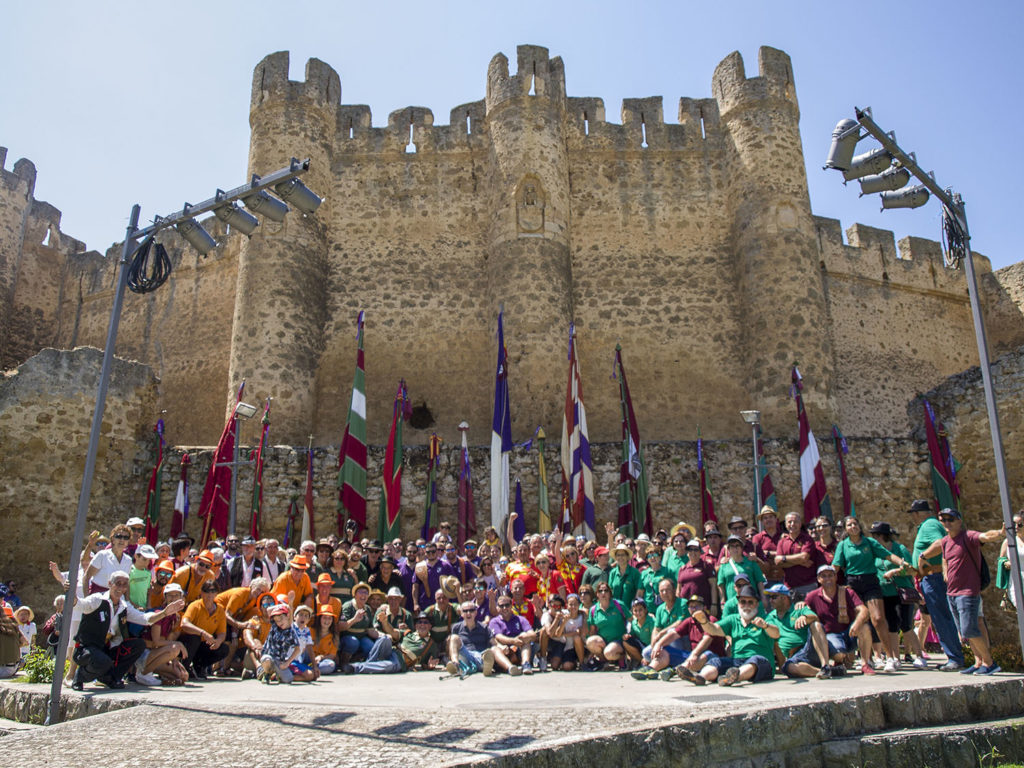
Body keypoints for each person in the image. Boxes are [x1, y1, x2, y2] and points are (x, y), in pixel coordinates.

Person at [919, 507, 1004, 675]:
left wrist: (1000, 533)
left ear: (959, 521)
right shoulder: (946, 542)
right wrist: (934, 564)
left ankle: (990, 663)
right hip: (952, 593)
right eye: (943, 520)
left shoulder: (968, 536)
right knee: (964, 632)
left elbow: (985, 536)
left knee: (969, 630)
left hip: (968, 592)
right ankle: (978, 662)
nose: (947, 523)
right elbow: (942, 552)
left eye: (950, 519)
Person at [72, 571, 185, 690]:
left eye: (124, 584)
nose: (121, 588)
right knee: (102, 661)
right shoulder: (97, 599)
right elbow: (80, 604)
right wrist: (71, 596)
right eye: (118, 583)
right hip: (87, 648)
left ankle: (112, 678)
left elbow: (144, 618)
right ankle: (80, 677)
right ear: (110, 584)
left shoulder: (124, 606)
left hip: (107, 647)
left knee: (138, 645)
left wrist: (164, 613)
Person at [832, 515, 908, 672]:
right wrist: (825, 581)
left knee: (878, 619)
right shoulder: (843, 545)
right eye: (849, 525)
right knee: (861, 622)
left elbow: (888, 555)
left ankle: (890, 657)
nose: (853, 527)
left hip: (870, 582)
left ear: (859, 526)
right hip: (853, 583)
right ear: (845, 529)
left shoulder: (870, 542)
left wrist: (901, 562)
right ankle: (867, 659)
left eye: (855, 524)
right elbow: (836, 566)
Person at [908, 499, 967, 671]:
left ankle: (955, 657)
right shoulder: (929, 525)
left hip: (933, 578)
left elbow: (942, 543)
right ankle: (954, 656)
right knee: (941, 618)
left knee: (942, 618)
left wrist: (923, 556)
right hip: (930, 578)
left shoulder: (929, 525)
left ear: (918, 514)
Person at [679, 585, 778, 686]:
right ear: (738, 603)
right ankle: (699, 678)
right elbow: (713, 630)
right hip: (736, 661)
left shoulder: (765, 619)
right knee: (715, 661)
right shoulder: (732, 619)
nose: (746, 605)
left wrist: (765, 626)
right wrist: (704, 622)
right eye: (743, 602)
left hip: (762, 663)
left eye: (750, 602)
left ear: (756, 604)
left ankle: (734, 677)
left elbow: (776, 633)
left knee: (755, 660)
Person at [871, 521, 928, 669]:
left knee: (906, 625)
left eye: (876, 535)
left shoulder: (899, 549)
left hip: (902, 592)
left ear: (883, 536)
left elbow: (911, 569)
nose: (874, 539)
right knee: (891, 626)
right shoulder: (876, 552)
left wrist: (894, 572)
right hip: (885, 593)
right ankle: (895, 658)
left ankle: (919, 656)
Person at [804, 565, 875, 675]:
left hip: (849, 633)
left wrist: (857, 623)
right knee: (839, 653)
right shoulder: (812, 596)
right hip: (830, 636)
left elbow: (864, 610)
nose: (828, 579)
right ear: (818, 579)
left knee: (865, 627)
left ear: (836, 577)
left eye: (830, 575)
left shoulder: (847, 592)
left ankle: (865, 664)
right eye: (824, 576)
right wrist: (800, 606)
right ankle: (836, 662)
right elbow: (805, 612)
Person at [764, 583, 837, 679]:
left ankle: (825, 665)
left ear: (784, 598)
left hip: (809, 649)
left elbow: (815, 617)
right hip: (795, 657)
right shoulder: (770, 617)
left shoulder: (798, 609)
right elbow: (774, 639)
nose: (770, 600)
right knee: (789, 667)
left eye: (774, 597)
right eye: (769, 597)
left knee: (816, 624)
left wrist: (805, 617)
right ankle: (829, 671)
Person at [140, 581, 189, 686]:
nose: (173, 598)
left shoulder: (176, 617)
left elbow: (168, 640)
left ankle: (153, 674)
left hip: (157, 654)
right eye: (170, 595)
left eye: (176, 595)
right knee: (175, 648)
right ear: (165, 597)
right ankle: (143, 674)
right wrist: (178, 646)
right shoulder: (159, 614)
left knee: (183, 676)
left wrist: (174, 659)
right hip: (145, 654)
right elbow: (156, 642)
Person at [179, 580, 229, 679]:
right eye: (206, 591)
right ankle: (184, 667)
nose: (209, 594)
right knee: (195, 638)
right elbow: (184, 624)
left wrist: (218, 641)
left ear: (217, 593)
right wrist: (203, 633)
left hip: (204, 645)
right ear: (201, 592)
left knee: (224, 649)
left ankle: (199, 667)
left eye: (213, 591)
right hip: (187, 643)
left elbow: (222, 633)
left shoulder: (220, 610)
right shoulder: (195, 605)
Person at [445, 601, 498, 677]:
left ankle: (485, 667)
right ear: (461, 613)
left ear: (476, 612)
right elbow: (452, 646)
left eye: (471, 610)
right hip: (465, 655)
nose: (468, 613)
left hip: (480, 655)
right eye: (465, 611)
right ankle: (455, 664)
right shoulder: (456, 627)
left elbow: (494, 643)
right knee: (453, 638)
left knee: (487, 654)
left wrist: (500, 648)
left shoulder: (484, 627)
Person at [775, 511, 821, 598]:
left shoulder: (807, 539)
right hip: (788, 587)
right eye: (789, 522)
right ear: (785, 524)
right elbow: (777, 561)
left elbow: (804, 557)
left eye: (795, 522)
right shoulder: (782, 542)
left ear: (800, 524)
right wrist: (799, 562)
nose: (792, 524)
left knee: (808, 611)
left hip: (808, 585)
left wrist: (784, 559)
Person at [490, 596, 537, 675]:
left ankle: (526, 664)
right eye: (501, 606)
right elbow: (498, 636)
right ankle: (510, 668)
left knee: (526, 637)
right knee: (494, 649)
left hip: (519, 649)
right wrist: (513, 641)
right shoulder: (494, 621)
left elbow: (532, 634)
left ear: (511, 606)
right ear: (497, 608)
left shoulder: (521, 619)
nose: (504, 608)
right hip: (504, 649)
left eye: (507, 605)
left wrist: (525, 637)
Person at [717, 535, 766, 608]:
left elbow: (759, 581)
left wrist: (763, 598)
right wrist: (722, 602)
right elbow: (721, 585)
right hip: (732, 603)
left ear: (742, 548)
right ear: (728, 549)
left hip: (750, 601)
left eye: (737, 546)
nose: (735, 548)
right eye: (732, 546)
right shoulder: (724, 565)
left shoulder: (751, 563)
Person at [259, 604, 302, 684]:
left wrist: (287, 663)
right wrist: (283, 605)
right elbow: (268, 610)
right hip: (269, 656)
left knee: (288, 679)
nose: (279, 622)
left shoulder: (291, 633)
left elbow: (297, 649)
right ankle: (266, 673)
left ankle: (275, 674)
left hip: (280, 660)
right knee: (267, 660)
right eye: (277, 620)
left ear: (287, 616)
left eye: (281, 618)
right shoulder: (275, 626)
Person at [84, 524, 133, 594]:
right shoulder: (102, 555)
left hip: (117, 598)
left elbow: (126, 583)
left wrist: (127, 601)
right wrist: (87, 598)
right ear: (113, 539)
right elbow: (86, 577)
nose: (122, 540)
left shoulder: (128, 560)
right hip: (98, 597)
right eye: (119, 536)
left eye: (126, 537)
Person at [997, 510, 1024, 609]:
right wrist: (1006, 562)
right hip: (1016, 582)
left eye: (1020, 525)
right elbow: (1001, 560)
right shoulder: (1008, 541)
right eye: (1014, 524)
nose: (1016, 527)